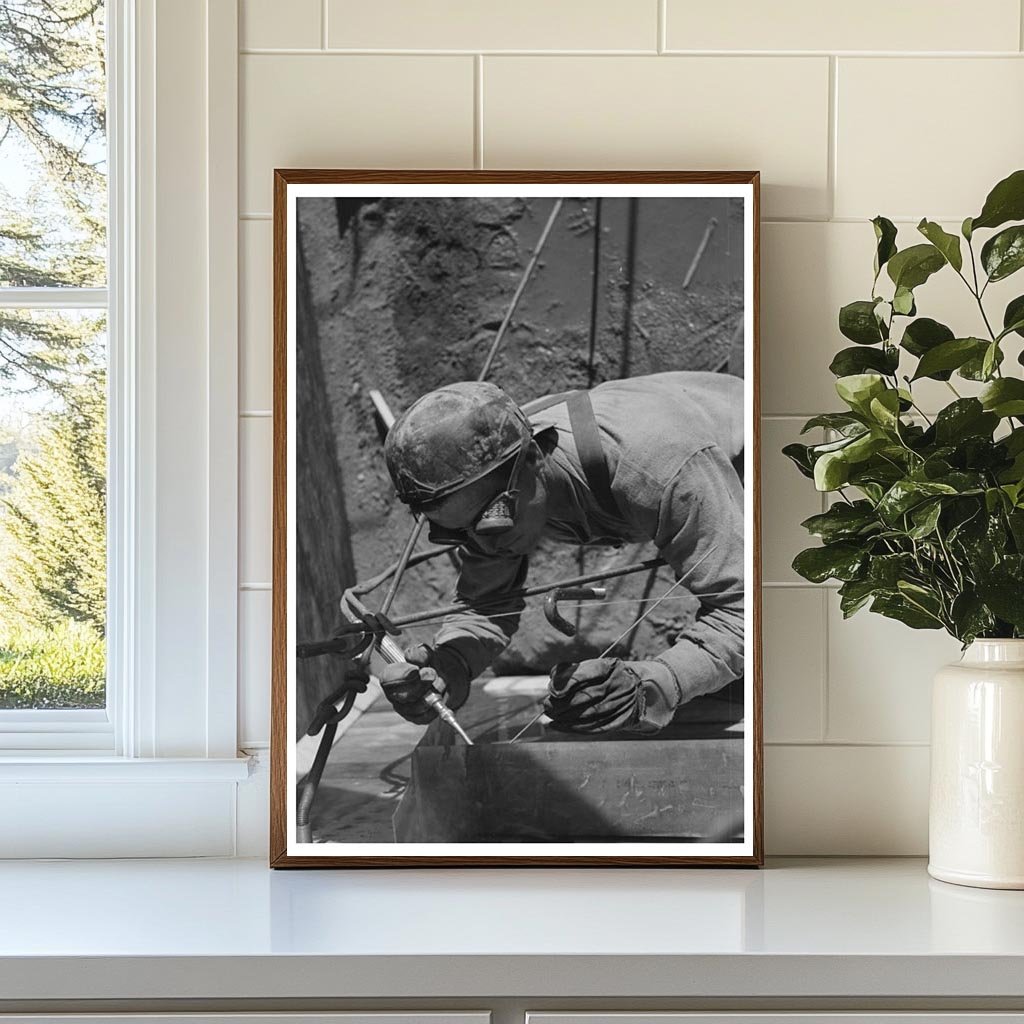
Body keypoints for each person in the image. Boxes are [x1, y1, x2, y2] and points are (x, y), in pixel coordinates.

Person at [376, 372, 745, 735]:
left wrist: (658, 683)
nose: (485, 547)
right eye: (455, 534)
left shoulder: (660, 465)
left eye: (494, 521)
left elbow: (745, 612)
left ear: (535, 456)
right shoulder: (492, 482)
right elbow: (485, 605)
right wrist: (450, 665)